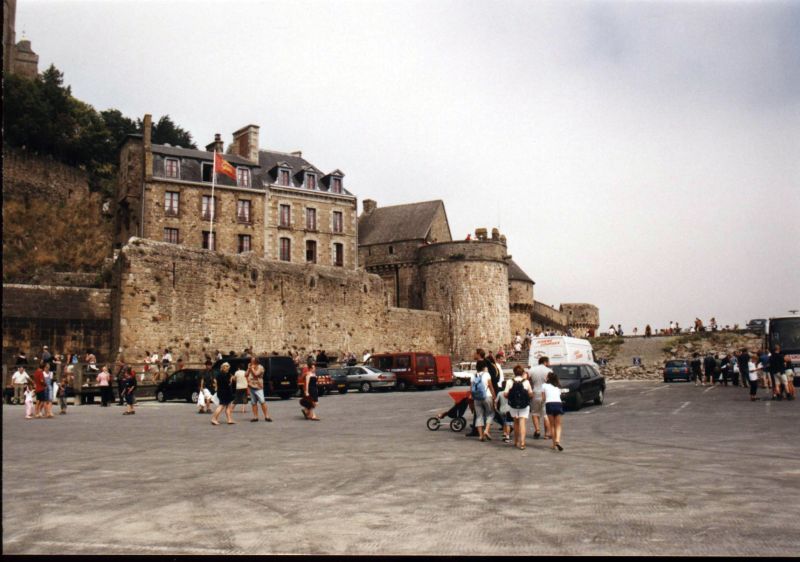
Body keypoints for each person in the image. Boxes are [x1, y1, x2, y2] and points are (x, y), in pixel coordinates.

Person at [504, 365, 534, 450]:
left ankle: (516, 441)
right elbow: (531, 394)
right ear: (522, 373)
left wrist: (511, 396)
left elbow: (505, 394)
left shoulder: (509, 381)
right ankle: (523, 443)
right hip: (524, 405)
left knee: (516, 423)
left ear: (514, 372)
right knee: (522, 423)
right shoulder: (526, 382)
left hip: (513, 405)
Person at [470, 360, 496, 442]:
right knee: (490, 414)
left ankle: (481, 436)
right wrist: (494, 397)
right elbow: (491, 386)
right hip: (487, 396)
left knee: (479, 416)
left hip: (477, 398)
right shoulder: (487, 374)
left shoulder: (473, 376)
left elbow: (471, 389)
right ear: (484, 367)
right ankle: (486, 430)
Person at [529, 356, 553, 439]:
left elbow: (527, 378)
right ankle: (547, 434)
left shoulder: (532, 369)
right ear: (545, 362)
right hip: (545, 393)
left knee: (535, 413)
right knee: (545, 414)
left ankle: (537, 430)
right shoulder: (549, 371)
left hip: (535, 392)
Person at [542, 371, 565, 451]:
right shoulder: (558, 386)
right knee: (558, 425)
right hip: (558, 404)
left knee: (552, 425)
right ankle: (558, 440)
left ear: (548, 378)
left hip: (549, 404)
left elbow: (543, 398)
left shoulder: (544, 385)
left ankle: (554, 444)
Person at [246, 357, 272, 422]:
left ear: (256, 361)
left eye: (252, 360)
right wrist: (249, 369)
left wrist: (251, 368)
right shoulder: (251, 367)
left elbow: (256, 374)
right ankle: (255, 417)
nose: (251, 362)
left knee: (262, 401)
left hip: (258, 387)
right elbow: (246, 374)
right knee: (253, 402)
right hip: (251, 386)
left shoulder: (261, 367)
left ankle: (267, 416)